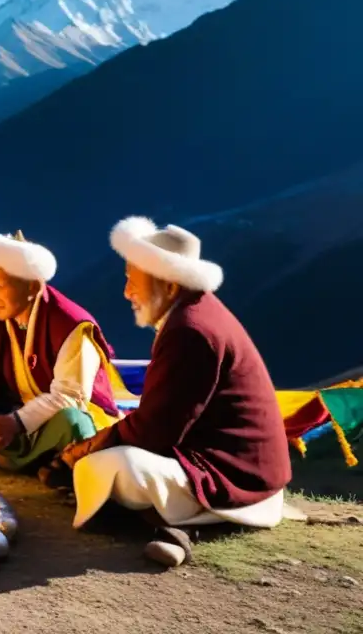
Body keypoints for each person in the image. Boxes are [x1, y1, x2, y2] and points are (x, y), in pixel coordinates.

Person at [62, 216, 292, 567]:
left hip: (237, 480)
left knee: (109, 466)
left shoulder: (191, 330)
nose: (126, 292)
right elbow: (166, 417)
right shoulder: (193, 317)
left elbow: (157, 432)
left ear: (169, 286)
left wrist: (99, 443)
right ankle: (156, 515)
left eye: (131, 281)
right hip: (243, 469)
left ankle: (184, 520)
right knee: (103, 458)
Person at [0, 231, 122, 471]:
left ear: (32, 287)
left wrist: (14, 424)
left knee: (72, 423)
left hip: (51, 421)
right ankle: (3, 449)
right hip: (13, 418)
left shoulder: (71, 325)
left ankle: (1, 454)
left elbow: (69, 396)